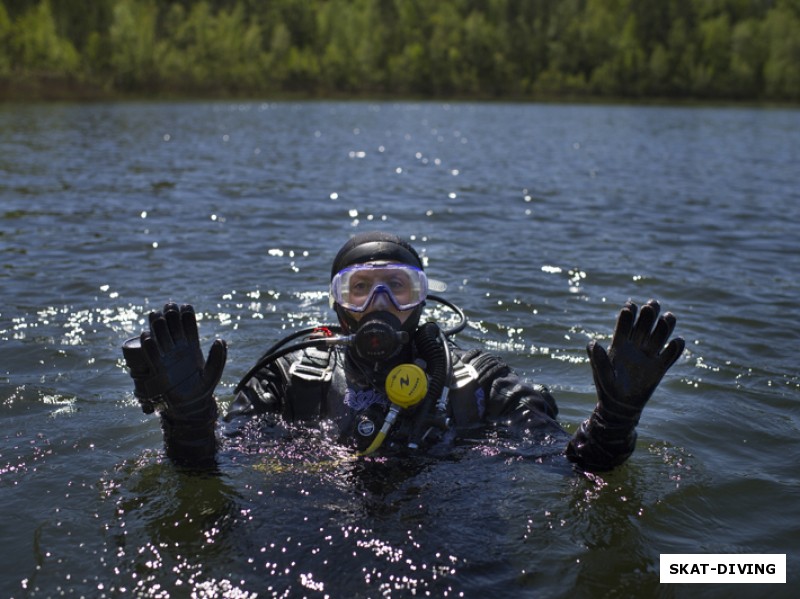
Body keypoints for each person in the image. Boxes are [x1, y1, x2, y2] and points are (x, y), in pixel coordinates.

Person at [121, 231, 685, 472]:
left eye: (400, 288)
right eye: (361, 288)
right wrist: (189, 419)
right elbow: (211, 469)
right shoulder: (291, 378)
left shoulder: (477, 381)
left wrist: (615, 421)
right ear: (337, 305)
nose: (381, 305)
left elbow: (566, 472)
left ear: (423, 299)